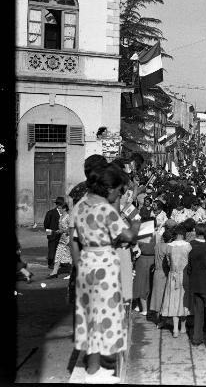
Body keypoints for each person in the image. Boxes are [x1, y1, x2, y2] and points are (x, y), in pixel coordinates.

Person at [71, 162, 139, 383]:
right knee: (107, 314)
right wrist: (137, 225)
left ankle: (92, 366)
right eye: (119, 191)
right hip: (104, 265)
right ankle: (96, 371)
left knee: (90, 315)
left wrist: (78, 263)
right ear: (109, 189)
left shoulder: (80, 205)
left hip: (85, 262)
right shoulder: (106, 210)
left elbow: (74, 239)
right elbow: (127, 236)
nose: (119, 195)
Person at [161, 225, 192, 338]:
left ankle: (175, 329)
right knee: (183, 301)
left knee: (173, 301)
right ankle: (183, 327)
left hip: (173, 275)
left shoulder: (169, 246)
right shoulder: (188, 246)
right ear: (183, 234)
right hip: (184, 276)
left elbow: (168, 262)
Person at [48, 203, 72, 279]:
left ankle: (72, 273)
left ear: (64, 209)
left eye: (60, 208)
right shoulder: (61, 217)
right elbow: (61, 228)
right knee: (58, 255)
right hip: (62, 239)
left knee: (70, 257)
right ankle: (54, 272)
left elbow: (71, 228)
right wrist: (59, 231)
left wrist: (63, 231)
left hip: (68, 240)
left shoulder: (68, 217)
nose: (59, 210)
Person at [44, 196, 64, 269]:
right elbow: (46, 225)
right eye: (59, 205)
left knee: (61, 249)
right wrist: (49, 235)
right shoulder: (50, 213)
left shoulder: (64, 214)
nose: (60, 206)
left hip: (62, 235)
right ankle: (50, 263)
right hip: (52, 235)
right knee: (52, 249)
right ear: (57, 205)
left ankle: (60, 263)